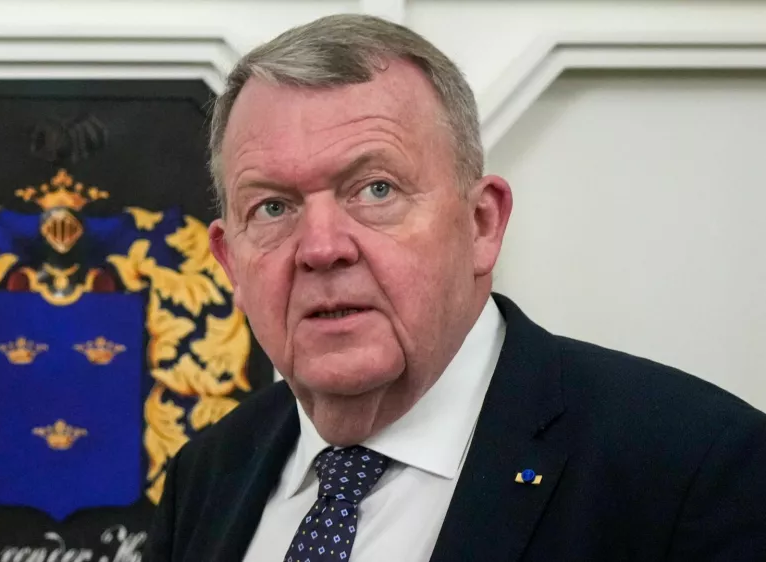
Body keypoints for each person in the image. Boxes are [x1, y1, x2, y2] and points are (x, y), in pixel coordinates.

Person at [142, 13, 766, 562]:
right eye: (273, 208)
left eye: (376, 189)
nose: (322, 248)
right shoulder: (207, 472)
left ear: (482, 224)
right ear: (230, 262)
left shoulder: (698, 469)